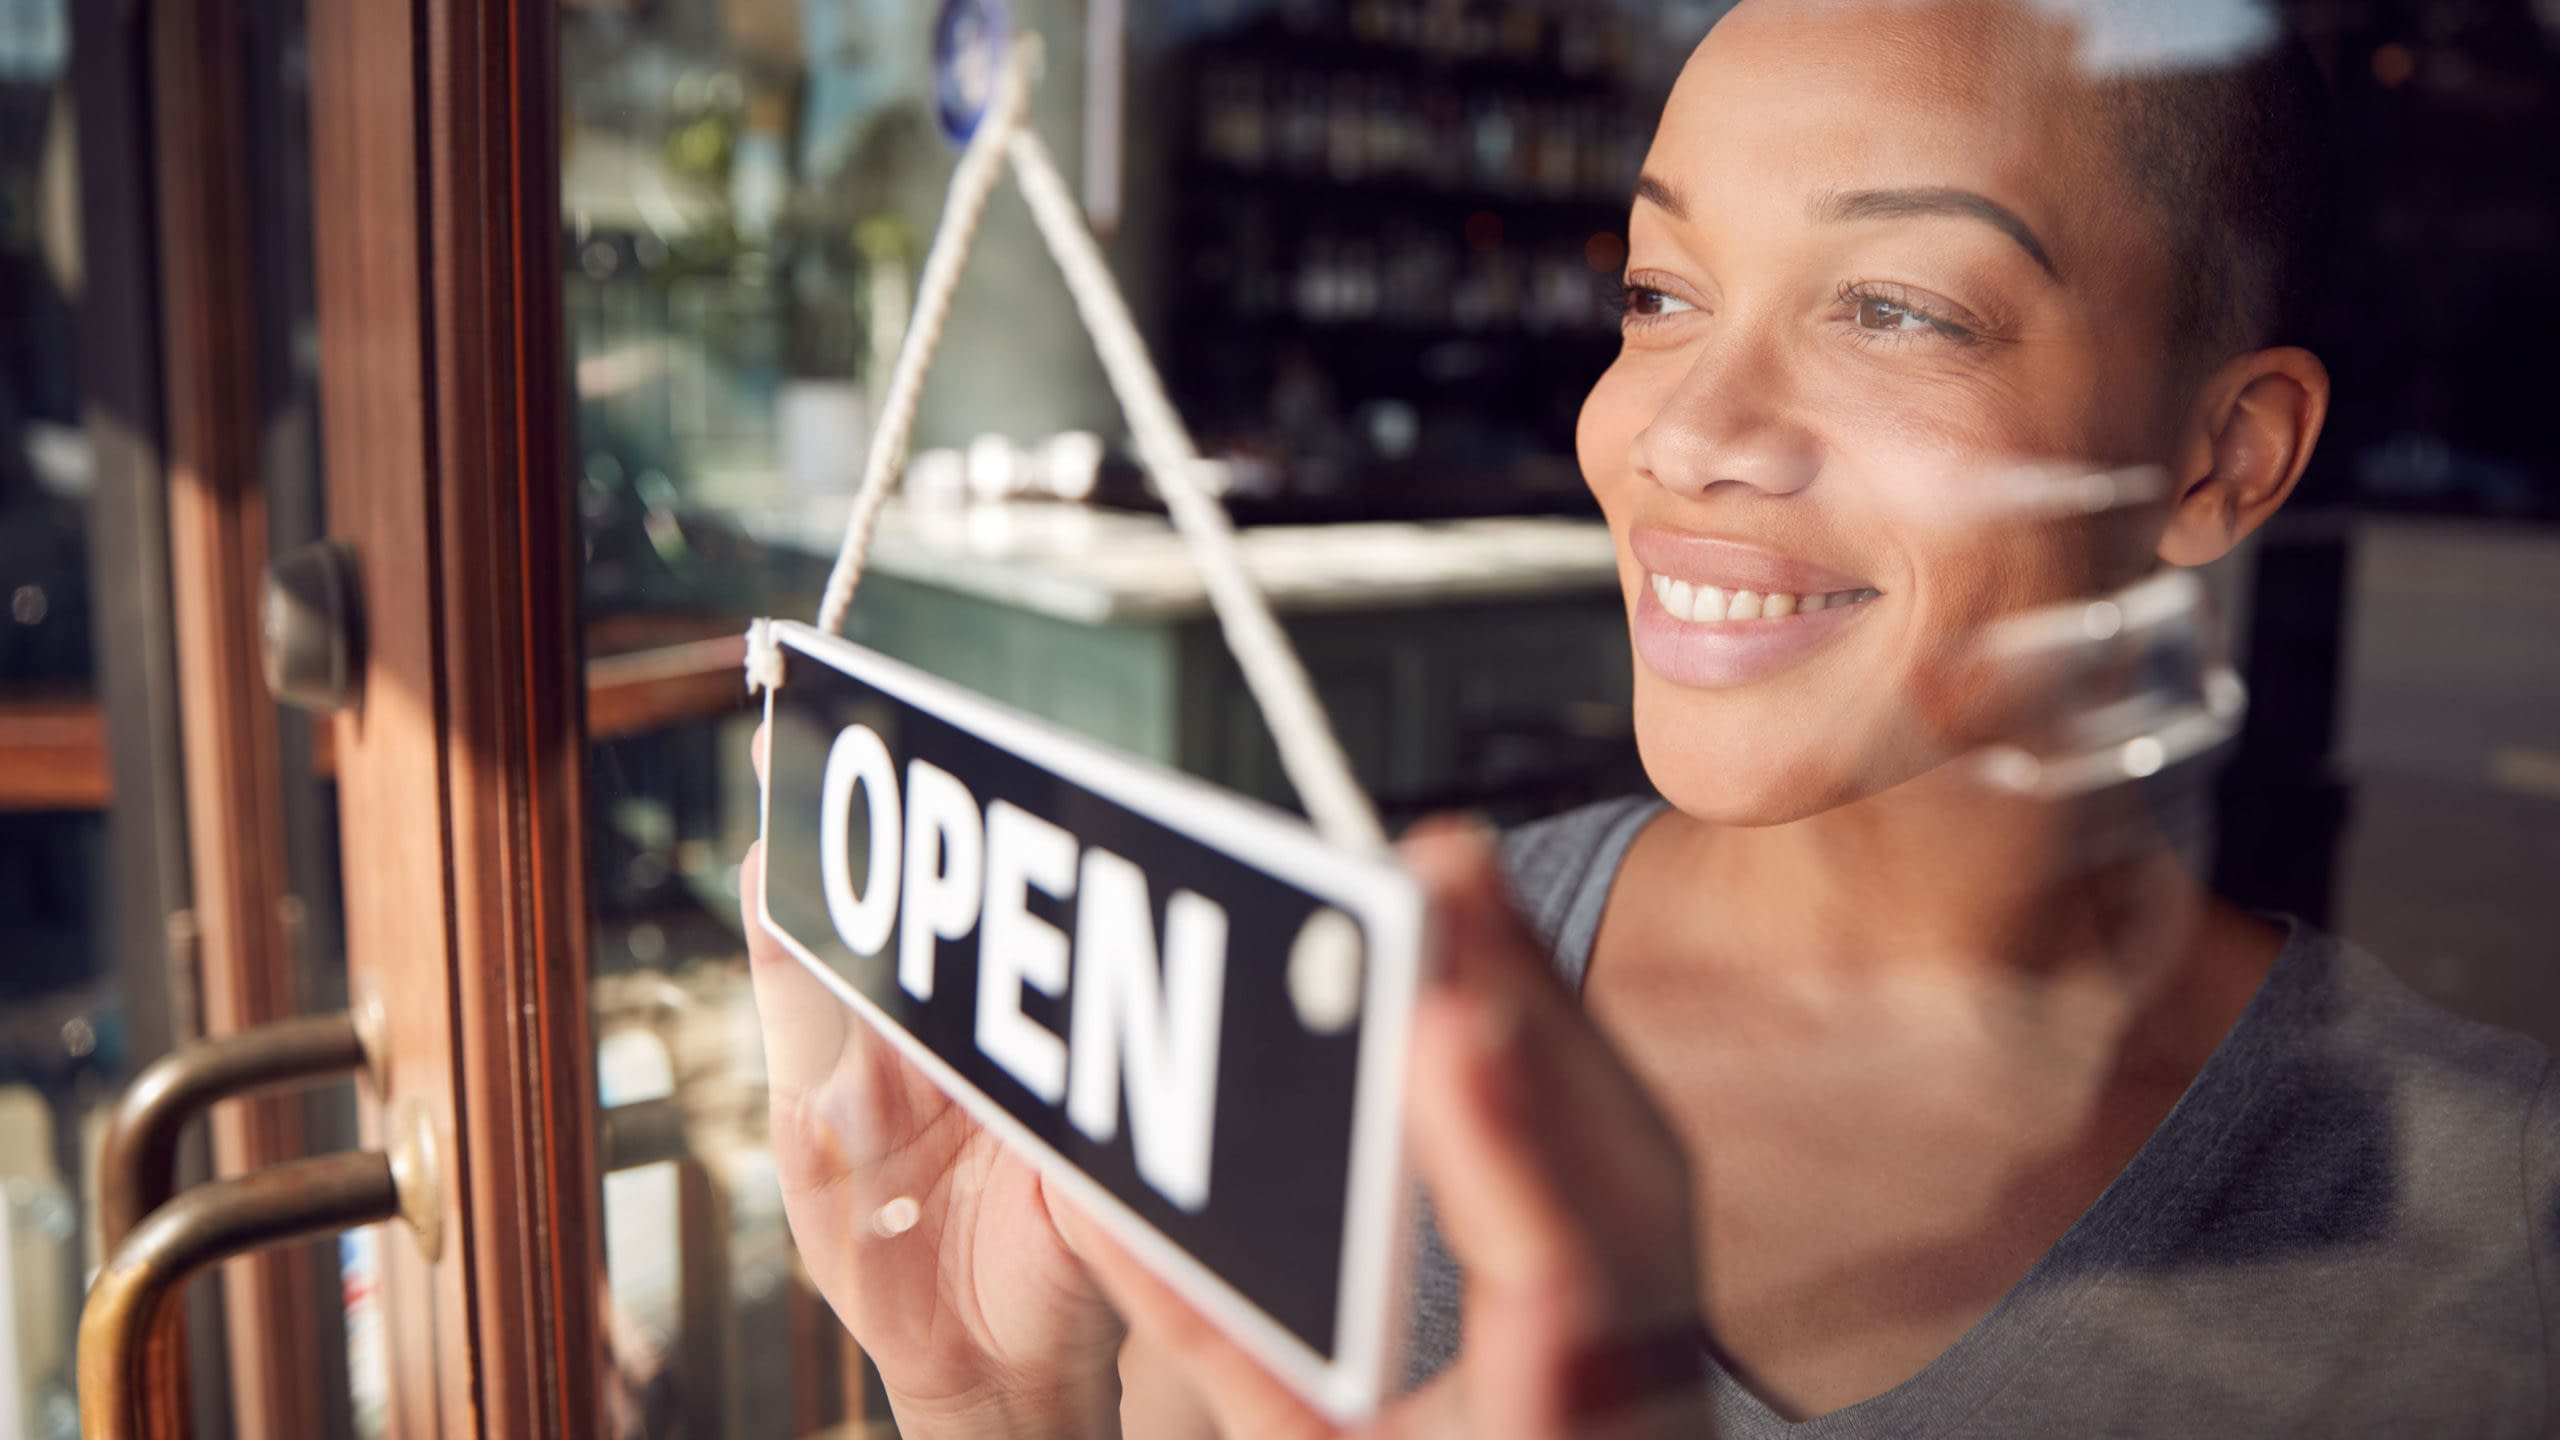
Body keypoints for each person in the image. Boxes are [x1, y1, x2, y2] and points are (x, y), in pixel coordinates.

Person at [739, 1, 2560, 1435]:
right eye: (1659, 294)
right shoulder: (1333, 1009)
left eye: (1896, 310)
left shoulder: (2495, 1243)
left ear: (2223, 456)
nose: (1678, 431)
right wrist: (996, 1407)